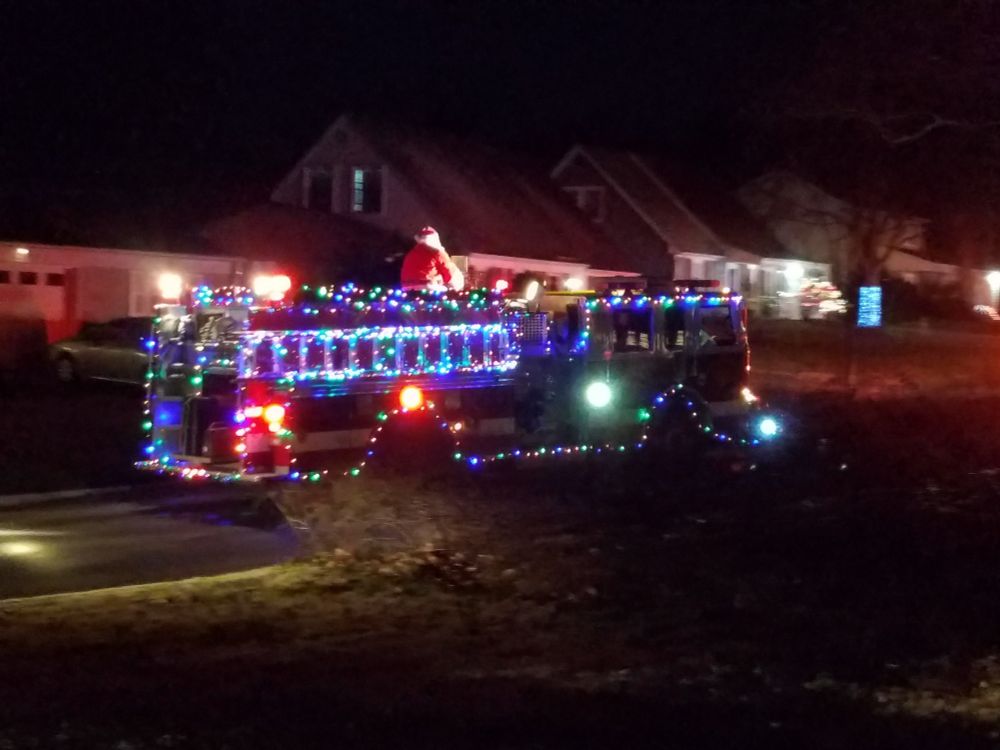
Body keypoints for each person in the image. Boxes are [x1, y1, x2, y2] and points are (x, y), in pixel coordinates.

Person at [400, 226, 465, 291]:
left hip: (406, 287)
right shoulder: (437, 252)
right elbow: (450, 273)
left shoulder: (411, 253)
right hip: (427, 286)